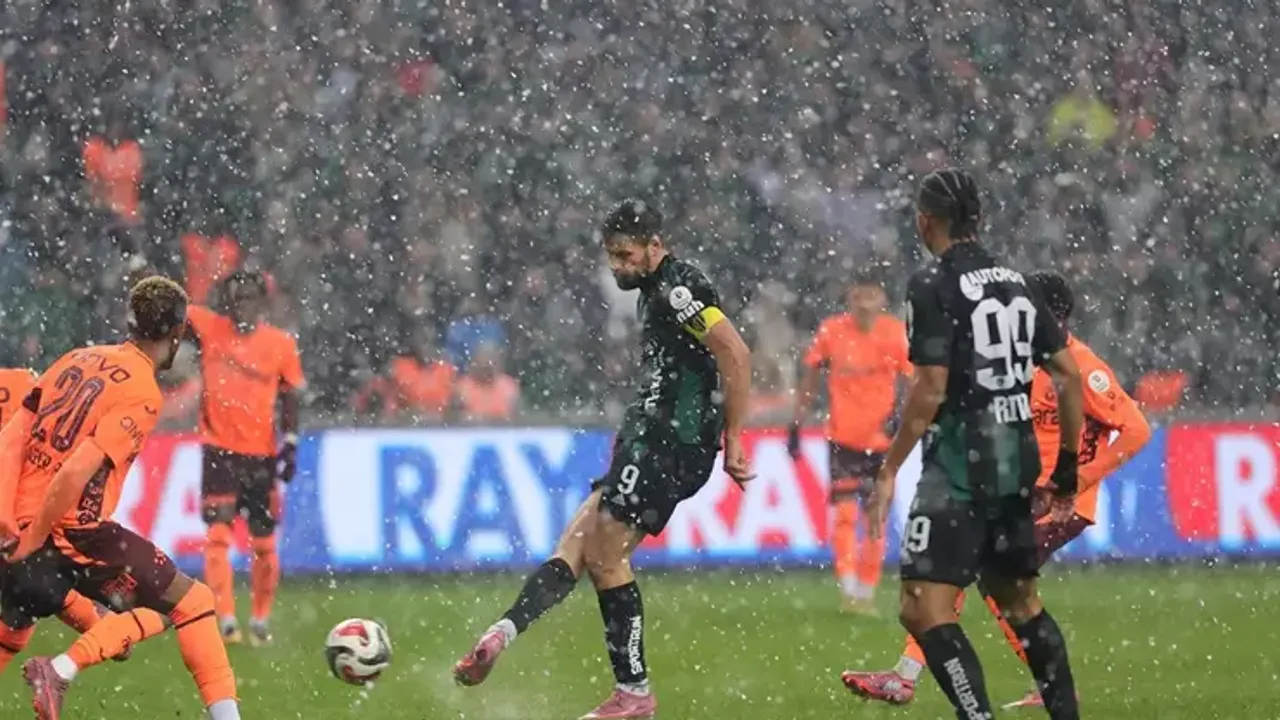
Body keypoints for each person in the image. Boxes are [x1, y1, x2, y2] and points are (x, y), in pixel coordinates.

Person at [453, 199, 754, 720]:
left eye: (626, 255)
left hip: (671, 442)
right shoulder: (652, 291)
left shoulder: (677, 289)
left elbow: (736, 352)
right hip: (646, 437)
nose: (618, 266)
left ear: (655, 246)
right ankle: (500, 634)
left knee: (605, 554)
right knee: (575, 543)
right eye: (612, 255)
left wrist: (735, 437)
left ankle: (634, 692)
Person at [842, 270, 1152, 710]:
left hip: (1056, 503)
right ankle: (917, 677)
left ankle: (916, 677)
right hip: (1015, 495)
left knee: (978, 576)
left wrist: (1079, 479)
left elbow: (1136, 430)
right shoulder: (1016, 362)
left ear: (1050, 315)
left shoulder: (1082, 368)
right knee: (967, 577)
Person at [844, 168, 1086, 720]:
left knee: (921, 607)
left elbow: (930, 388)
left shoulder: (932, 284)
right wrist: (1067, 469)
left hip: (959, 465)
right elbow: (1069, 376)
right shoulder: (1020, 284)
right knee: (1021, 602)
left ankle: (976, 716)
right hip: (1015, 460)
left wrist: (890, 469)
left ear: (925, 220)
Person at [0, 276, 240, 720]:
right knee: (192, 603)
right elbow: (75, 471)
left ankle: (64, 665)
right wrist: (34, 539)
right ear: (177, 333)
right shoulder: (142, 391)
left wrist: (7, 519)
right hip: (70, 531)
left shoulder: (77, 357)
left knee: (13, 629)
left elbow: (12, 436)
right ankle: (61, 669)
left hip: (18, 526)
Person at [186, 269, 305, 646]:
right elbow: (168, 304)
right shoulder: (210, 328)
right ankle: (225, 618)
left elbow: (290, 396)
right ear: (227, 302)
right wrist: (136, 260)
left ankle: (259, 618)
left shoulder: (280, 345)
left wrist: (290, 442)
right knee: (218, 536)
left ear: (261, 303)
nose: (242, 306)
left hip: (260, 456)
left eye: (249, 298)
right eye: (236, 299)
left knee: (264, 543)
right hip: (219, 451)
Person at [788, 274, 912, 613]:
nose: (865, 304)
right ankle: (848, 587)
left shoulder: (894, 334)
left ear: (882, 299)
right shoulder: (832, 332)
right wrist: (796, 423)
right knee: (844, 515)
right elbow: (810, 378)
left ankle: (866, 590)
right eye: (859, 296)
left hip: (882, 442)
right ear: (849, 299)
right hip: (842, 438)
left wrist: (902, 416)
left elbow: (913, 380)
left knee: (875, 516)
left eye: (871, 296)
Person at [0, 368, 124, 673]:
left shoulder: (30, 383)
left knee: (25, 597)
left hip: (18, 506)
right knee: (30, 590)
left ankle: (104, 629)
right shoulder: (28, 381)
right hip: (22, 504)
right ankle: (104, 629)